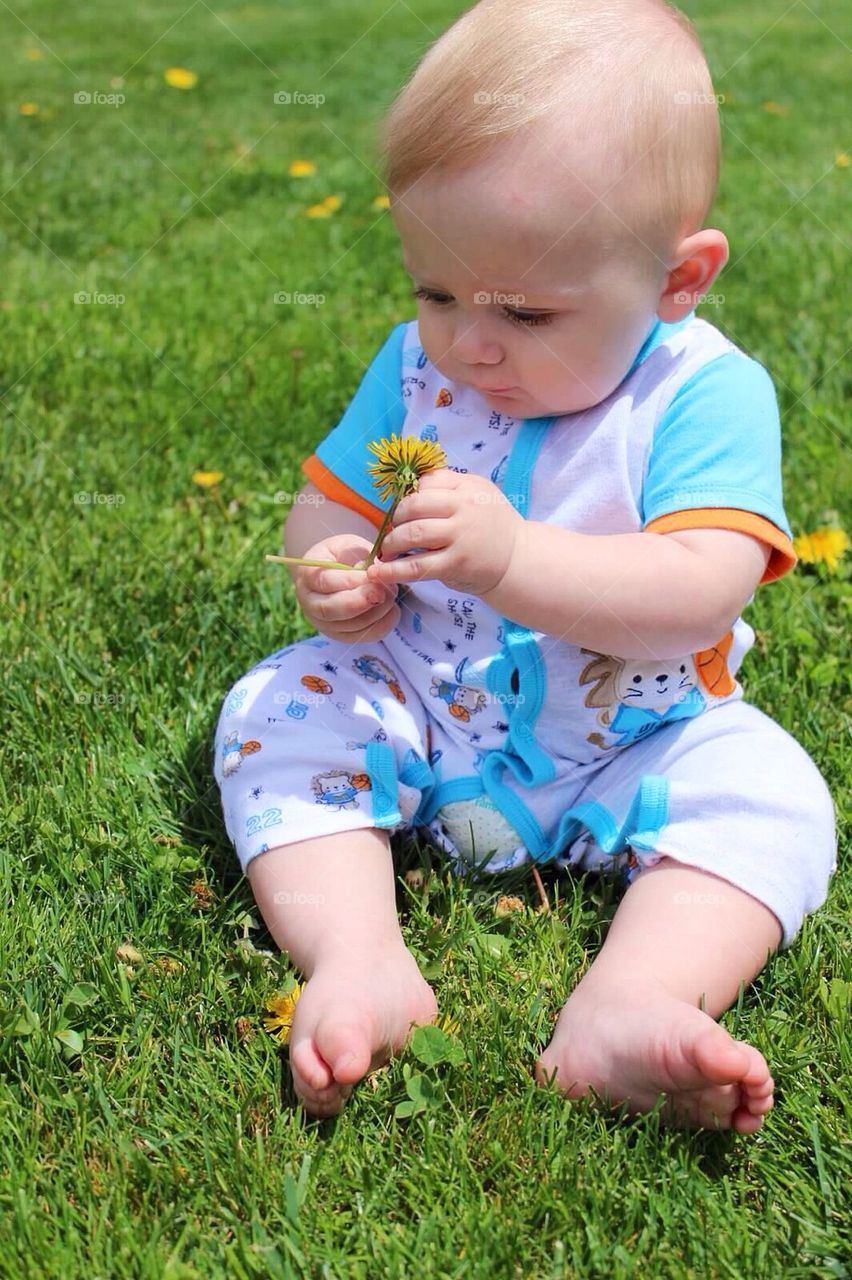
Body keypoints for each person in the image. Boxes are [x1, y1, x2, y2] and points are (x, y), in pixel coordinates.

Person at [213, 0, 836, 1126]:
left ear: (677, 279)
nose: (469, 343)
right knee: (273, 707)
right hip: (415, 703)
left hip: (631, 735)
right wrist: (336, 567)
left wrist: (514, 560)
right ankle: (356, 954)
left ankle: (635, 998)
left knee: (773, 795)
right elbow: (325, 505)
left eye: (526, 310)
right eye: (436, 291)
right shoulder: (418, 372)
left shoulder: (702, 393)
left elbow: (700, 588)